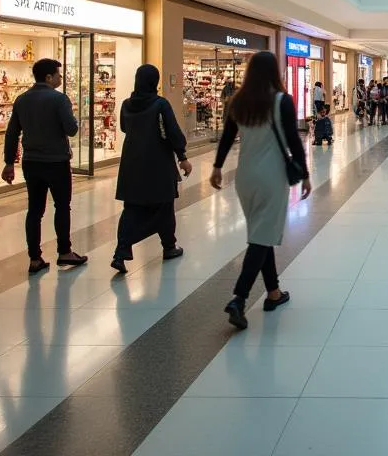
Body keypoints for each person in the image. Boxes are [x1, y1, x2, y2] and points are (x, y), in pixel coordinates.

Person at [211, 51, 312, 330]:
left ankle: (273, 293)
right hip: (272, 177)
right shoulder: (282, 101)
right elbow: (293, 140)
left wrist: (217, 167)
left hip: (245, 177)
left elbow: (227, 137)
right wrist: (304, 175)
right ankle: (239, 298)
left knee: (261, 233)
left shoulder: (238, 101)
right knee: (261, 237)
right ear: (274, 72)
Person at [2, 58, 88, 274]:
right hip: (56, 162)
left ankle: (34, 258)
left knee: (35, 210)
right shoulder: (59, 99)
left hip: (31, 162)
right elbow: (71, 129)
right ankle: (64, 252)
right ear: (49, 77)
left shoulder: (21, 100)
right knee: (62, 206)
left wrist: (8, 163)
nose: (60, 78)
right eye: (58, 75)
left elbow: (12, 133)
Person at [110, 64, 192, 274]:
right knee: (164, 206)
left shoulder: (126, 104)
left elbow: (123, 128)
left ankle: (121, 251)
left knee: (132, 208)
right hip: (157, 162)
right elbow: (173, 132)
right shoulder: (160, 104)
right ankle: (169, 246)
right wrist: (182, 157)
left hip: (132, 163)